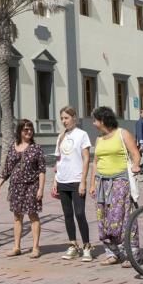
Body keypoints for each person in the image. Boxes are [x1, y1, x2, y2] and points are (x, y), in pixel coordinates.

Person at [89, 107, 141, 266]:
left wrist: (136, 166)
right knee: (103, 218)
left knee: (122, 217)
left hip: (120, 182)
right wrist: (92, 184)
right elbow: (96, 163)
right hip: (102, 183)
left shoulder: (122, 133)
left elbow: (135, 153)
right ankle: (112, 253)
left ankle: (130, 253)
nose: (93, 123)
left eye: (95, 120)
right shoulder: (99, 139)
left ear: (103, 120)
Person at [0, 118, 46, 259]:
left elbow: (42, 170)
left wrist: (41, 189)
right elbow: (7, 169)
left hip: (31, 186)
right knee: (17, 216)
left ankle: (36, 248)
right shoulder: (13, 147)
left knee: (33, 215)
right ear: (20, 131)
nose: (29, 131)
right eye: (26, 129)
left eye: (30, 129)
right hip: (16, 187)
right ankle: (16, 247)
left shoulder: (36, 148)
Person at [52, 107, 92, 261]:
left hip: (76, 180)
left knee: (80, 213)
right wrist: (55, 180)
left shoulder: (82, 135)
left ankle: (87, 246)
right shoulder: (61, 136)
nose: (64, 121)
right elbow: (58, 160)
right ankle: (73, 245)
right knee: (67, 215)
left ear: (74, 117)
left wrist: (83, 181)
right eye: (62, 118)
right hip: (62, 179)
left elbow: (86, 158)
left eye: (66, 118)